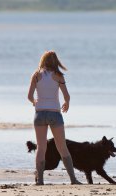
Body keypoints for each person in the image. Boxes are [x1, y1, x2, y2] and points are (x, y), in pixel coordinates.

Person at [27, 50, 81, 185]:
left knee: (41, 147)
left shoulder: (36, 75)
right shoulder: (58, 76)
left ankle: (40, 180)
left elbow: (29, 96)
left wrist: (34, 102)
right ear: (56, 61)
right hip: (54, 114)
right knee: (62, 147)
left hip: (39, 114)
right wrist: (67, 103)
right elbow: (67, 96)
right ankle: (73, 179)